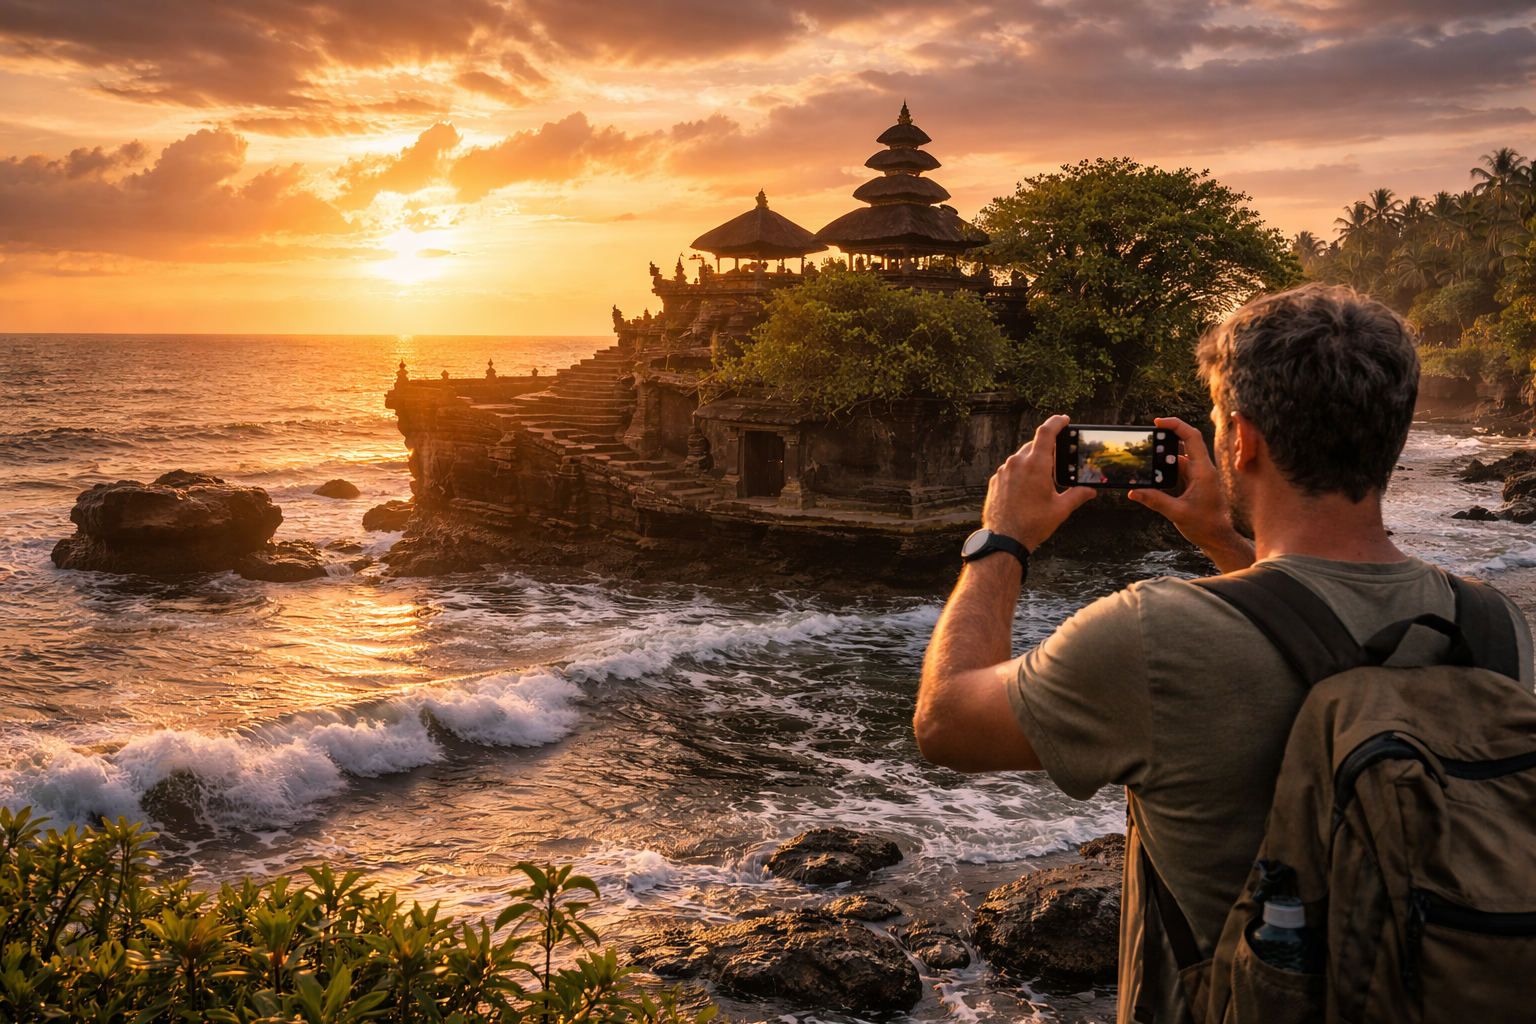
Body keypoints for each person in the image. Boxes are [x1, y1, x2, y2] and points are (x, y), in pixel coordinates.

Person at [913, 283, 1533, 1024]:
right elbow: (1319, 630)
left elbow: (946, 721)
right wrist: (1220, 539)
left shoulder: (1153, 633)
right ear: (1393, 433)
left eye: (1217, 422)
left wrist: (1002, 540)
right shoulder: (1494, 625)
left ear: (1241, 441)